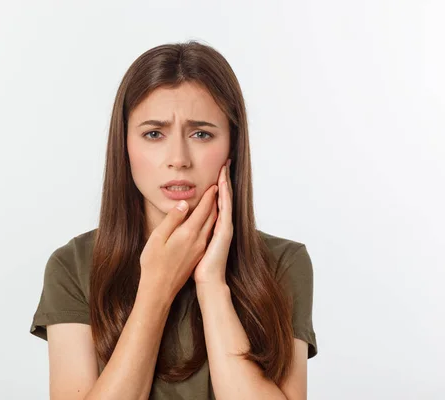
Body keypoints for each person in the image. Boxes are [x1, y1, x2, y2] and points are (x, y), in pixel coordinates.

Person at [29, 40, 318, 400]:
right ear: (125, 145)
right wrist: (157, 287)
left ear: (233, 144)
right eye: (154, 134)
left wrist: (212, 284)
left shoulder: (281, 264)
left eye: (201, 134)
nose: (178, 158)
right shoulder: (73, 266)